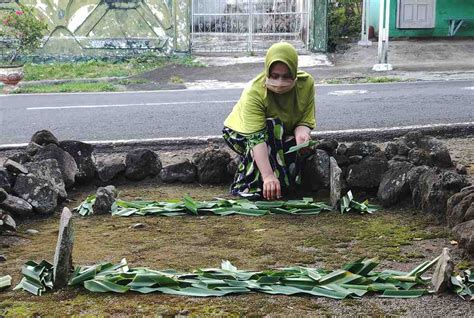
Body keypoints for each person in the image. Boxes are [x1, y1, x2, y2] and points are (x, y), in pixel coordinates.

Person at [222, 42, 316, 200]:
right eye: (274, 76)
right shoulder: (254, 92)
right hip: (243, 134)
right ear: (267, 71)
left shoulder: (306, 84)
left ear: (295, 72)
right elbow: (257, 138)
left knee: (289, 145)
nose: (280, 82)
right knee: (271, 134)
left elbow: (305, 120)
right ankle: (248, 186)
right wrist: (268, 176)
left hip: (280, 132)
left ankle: (282, 186)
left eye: (286, 76)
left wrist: (302, 136)